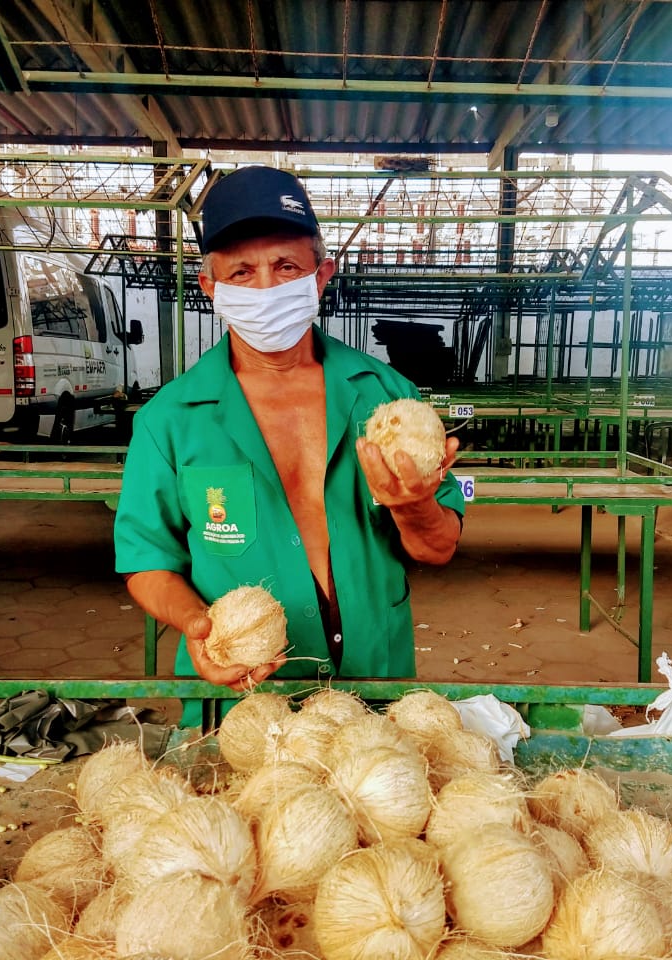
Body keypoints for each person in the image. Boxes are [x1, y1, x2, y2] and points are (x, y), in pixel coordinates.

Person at [113, 166, 466, 726]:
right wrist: (195, 624)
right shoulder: (170, 419)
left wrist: (414, 506)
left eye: (286, 267)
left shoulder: (387, 398)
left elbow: (438, 548)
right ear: (211, 287)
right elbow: (146, 561)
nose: (265, 289)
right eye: (242, 271)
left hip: (375, 687)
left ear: (321, 276)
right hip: (246, 703)